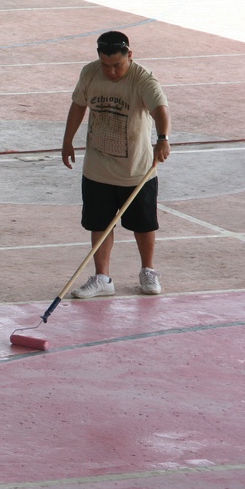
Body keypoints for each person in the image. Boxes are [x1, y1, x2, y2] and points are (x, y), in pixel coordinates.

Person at [62, 31, 172, 298]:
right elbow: (78, 106)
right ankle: (102, 278)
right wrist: (67, 141)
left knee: (143, 224)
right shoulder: (89, 73)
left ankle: (148, 270)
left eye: (117, 65)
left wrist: (162, 139)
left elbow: (160, 109)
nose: (111, 72)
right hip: (98, 167)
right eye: (106, 65)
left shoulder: (143, 78)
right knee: (99, 224)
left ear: (129, 56)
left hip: (136, 170)